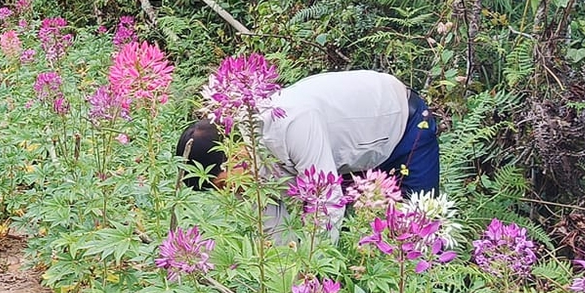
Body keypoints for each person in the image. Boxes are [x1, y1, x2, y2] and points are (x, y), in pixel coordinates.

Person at [176, 69, 440, 227]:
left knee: (418, 228)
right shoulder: (250, 158)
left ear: (232, 153)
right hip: (352, 155)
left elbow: (327, 200)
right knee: (363, 228)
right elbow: (272, 216)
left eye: (225, 184)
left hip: (402, 125)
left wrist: (313, 272)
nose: (235, 192)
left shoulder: (291, 123)